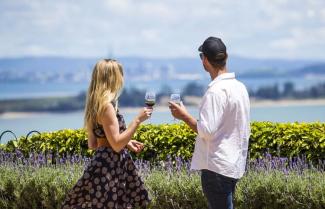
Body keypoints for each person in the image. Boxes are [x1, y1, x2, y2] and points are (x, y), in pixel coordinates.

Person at [169, 37, 250, 209]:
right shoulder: (240, 87)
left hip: (216, 167)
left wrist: (184, 116)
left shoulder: (215, 91)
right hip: (233, 164)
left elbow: (206, 131)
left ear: (205, 60)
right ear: (225, 56)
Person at [61, 59, 152, 209]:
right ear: (113, 77)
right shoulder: (107, 107)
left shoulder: (94, 105)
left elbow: (94, 143)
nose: (122, 79)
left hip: (100, 164)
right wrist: (137, 120)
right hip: (112, 167)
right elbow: (116, 145)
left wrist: (127, 142)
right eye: (120, 74)